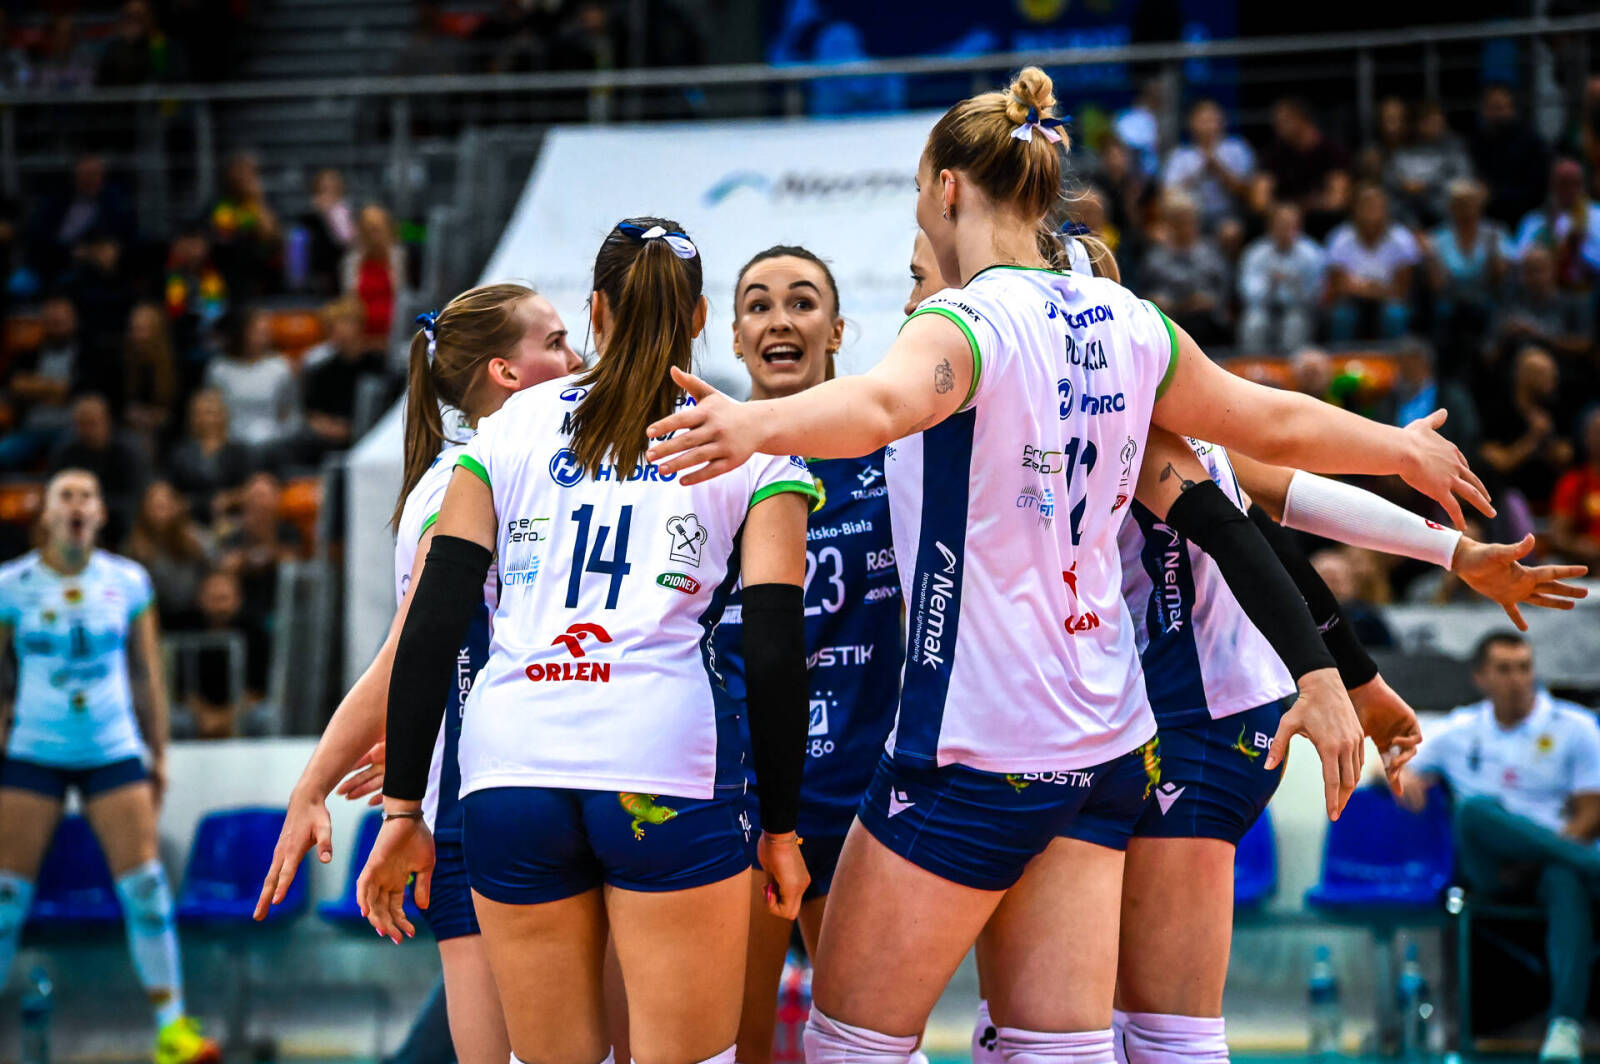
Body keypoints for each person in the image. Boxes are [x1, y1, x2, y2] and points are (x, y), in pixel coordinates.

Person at [647, 68, 1491, 1064]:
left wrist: (753, 424)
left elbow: (877, 406)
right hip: (1106, 743)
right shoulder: (1129, 320)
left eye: (918, 191)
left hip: (978, 743)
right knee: (1057, 1049)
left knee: (852, 1042)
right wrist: (1398, 448)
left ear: (948, 188)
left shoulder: (963, 321)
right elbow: (1264, 421)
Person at [358, 218, 816, 1064]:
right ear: (701, 315)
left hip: (510, 774)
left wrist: (403, 809)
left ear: (596, 310)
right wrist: (782, 831)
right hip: (660, 768)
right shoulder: (750, 442)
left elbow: (432, 625)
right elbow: (777, 653)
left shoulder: (507, 429)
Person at [254, 282, 582, 1064]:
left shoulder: (482, 472)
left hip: (491, 791)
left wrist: (412, 741)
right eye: (557, 343)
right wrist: (314, 784)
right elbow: (408, 651)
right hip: (487, 804)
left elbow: (443, 654)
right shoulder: (469, 483)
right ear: (505, 372)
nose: (577, 359)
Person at [715, 246, 903, 1064]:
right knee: (739, 1047)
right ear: (734, 337)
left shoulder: (895, 456)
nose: (779, 320)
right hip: (740, 801)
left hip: (865, 799)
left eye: (801, 302)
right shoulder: (703, 463)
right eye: (758, 305)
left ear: (837, 329)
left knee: (864, 1050)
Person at [0, 469, 219, 1064]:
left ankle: (171, 1031)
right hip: (34, 751)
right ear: (46, 514)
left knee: (146, 890)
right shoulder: (12, 586)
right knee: (6, 900)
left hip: (111, 749)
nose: (77, 505)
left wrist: (159, 752)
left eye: (87, 496)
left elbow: (149, 673)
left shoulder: (127, 581)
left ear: (99, 514)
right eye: (65, 496)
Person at [1399, 632, 1600, 1064]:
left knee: (1565, 880)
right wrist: (1403, 774)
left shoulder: (1575, 726)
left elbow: (1590, 812)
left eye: (1524, 667)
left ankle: (1564, 1027)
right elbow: (1392, 765)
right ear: (1480, 677)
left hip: (1551, 863)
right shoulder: (1459, 729)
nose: (1517, 679)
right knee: (1474, 812)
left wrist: (1551, 852)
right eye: (1504, 669)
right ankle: (1593, 865)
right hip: (1490, 869)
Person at [1324, 184, 1420, 341]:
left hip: (1389, 301)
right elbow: (1338, 287)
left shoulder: (1402, 239)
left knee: (1394, 315)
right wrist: (1376, 288)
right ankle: (1342, 354)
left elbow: (1402, 291)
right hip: (1352, 300)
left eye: (1375, 205)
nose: (1370, 211)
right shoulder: (1340, 238)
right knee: (1342, 315)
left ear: (1386, 209)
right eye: (1365, 205)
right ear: (1355, 209)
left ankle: (1394, 355)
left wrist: (1362, 287)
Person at [202, 308, 299, 458]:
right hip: (229, 444)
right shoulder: (219, 368)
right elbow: (210, 409)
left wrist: (282, 438)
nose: (263, 337)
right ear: (241, 332)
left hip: (271, 444)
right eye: (257, 332)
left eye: (266, 332)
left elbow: (289, 410)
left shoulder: (280, 367)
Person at [123, 480, 214, 625]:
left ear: (177, 507)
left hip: (195, 612)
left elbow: (213, 573)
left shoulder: (196, 540)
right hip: (153, 615)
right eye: (155, 507)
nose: (160, 513)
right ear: (144, 509)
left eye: (164, 506)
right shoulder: (132, 547)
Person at [1236, 203, 1324, 353]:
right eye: (1281, 225)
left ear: (1299, 227)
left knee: (1294, 323)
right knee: (1254, 322)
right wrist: (1271, 284)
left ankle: (1292, 365)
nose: (1285, 230)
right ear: (1270, 227)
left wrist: (1293, 285)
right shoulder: (1255, 253)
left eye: (1291, 225)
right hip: (1263, 308)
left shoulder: (1311, 254)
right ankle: (1254, 364)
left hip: (1298, 309)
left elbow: (1316, 295)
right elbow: (1249, 295)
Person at [1159, 99, 1253, 235]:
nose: (1208, 126)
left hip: (1227, 214)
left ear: (1222, 121)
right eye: (1203, 121)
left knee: (1230, 231)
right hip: (1191, 216)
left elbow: (1247, 191)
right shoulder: (1180, 155)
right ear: (1192, 123)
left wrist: (1219, 169)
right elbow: (1168, 193)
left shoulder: (1236, 148)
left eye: (1212, 120)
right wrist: (1198, 173)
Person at [166, 389, 256, 522]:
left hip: (232, 519)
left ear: (223, 415)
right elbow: (170, 490)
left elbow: (251, 487)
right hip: (188, 521)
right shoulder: (180, 453)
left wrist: (230, 499)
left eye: (211, 413)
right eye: (200, 413)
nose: (207, 419)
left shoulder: (239, 451)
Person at [1470, 84, 1552, 230]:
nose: (1497, 114)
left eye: (1500, 108)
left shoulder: (1531, 143)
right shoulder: (1478, 142)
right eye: (1491, 108)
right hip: (1486, 221)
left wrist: (1494, 194)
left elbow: (1536, 191)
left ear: (1512, 109)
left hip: (1525, 219)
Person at [342, 204, 405, 343]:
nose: (373, 236)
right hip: (360, 338)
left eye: (377, 229)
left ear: (389, 230)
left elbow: (407, 299)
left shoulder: (400, 258)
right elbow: (348, 302)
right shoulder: (352, 261)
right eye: (367, 230)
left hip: (395, 335)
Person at [1549, 407, 1600, 567]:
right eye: (1597, 431)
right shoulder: (1572, 482)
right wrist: (1576, 546)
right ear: (1586, 438)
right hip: (1586, 567)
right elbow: (1558, 536)